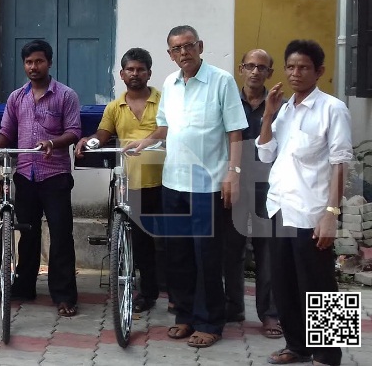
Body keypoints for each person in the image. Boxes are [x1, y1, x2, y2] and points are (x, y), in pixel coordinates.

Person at [127, 25, 247, 348]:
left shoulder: (221, 81)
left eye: (189, 46)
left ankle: (210, 321)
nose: (184, 53)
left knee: (207, 254)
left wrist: (233, 172)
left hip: (208, 184)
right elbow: (165, 127)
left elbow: (235, 132)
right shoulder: (169, 83)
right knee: (177, 255)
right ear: (170, 54)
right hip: (173, 182)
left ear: (200, 46)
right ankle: (185, 315)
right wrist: (146, 142)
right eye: (177, 49)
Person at [257, 40, 351, 366]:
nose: (296, 73)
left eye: (304, 67)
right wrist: (268, 114)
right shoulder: (284, 108)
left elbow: (340, 163)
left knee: (321, 286)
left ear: (319, 71)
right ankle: (297, 346)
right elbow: (266, 153)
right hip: (281, 207)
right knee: (284, 283)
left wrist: (331, 214)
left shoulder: (332, 109)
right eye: (291, 67)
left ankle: (328, 356)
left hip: (312, 212)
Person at [0, 39, 82, 317]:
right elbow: (6, 131)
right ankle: (24, 286)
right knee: (27, 234)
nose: (33, 67)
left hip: (56, 175)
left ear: (49, 62)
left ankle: (64, 296)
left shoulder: (65, 95)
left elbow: (74, 132)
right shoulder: (17, 97)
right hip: (25, 175)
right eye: (28, 62)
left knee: (61, 235)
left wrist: (54, 143)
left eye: (38, 61)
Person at [76, 47, 163, 314]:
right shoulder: (115, 107)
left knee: (171, 239)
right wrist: (88, 141)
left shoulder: (165, 100)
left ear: (149, 73)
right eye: (130, 69)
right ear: (122, 74)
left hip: (165, 181)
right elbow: (103, 134)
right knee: (141, 242)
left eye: (140, 69)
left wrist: (148, 141)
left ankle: (178, 292)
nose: (135, 74)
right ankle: (147, 294)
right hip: (131, 184)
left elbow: (168, 128)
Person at [222, 49, 281, 337]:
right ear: (241, 69)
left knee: (267, 252)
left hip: (269, 189)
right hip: (235, 184)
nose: (255, 71)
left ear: (270, 73)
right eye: (250, 66)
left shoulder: (282, 106)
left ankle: (270, 314)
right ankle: (233, 307)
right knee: (231, 250)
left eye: (262, 67)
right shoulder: (229, 102)